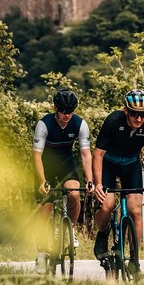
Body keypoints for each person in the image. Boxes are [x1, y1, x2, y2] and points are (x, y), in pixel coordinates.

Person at [91, 89, 144, 276]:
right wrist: (98, 184)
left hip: (131, 165)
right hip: (109, 163)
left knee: (135, 210)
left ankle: (134, 260)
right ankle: (103, 233)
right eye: (134, 113)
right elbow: (98, 154)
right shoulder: (113, 121)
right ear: (126, 110)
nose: (138, 118)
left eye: (143, 114)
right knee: (107, 205)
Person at [32, 88, 94, 274]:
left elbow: (85, 154)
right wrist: (42, 181)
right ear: (55, 108)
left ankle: (71, 230)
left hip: (67, 163)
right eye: (64, 111)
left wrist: (90, 180)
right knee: (46, 209)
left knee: (74, 194)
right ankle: (41, 255)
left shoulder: (80, 124)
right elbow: (36, 156)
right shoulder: (44, 124)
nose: (67, 115)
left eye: (71, 111)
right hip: (46, 164)